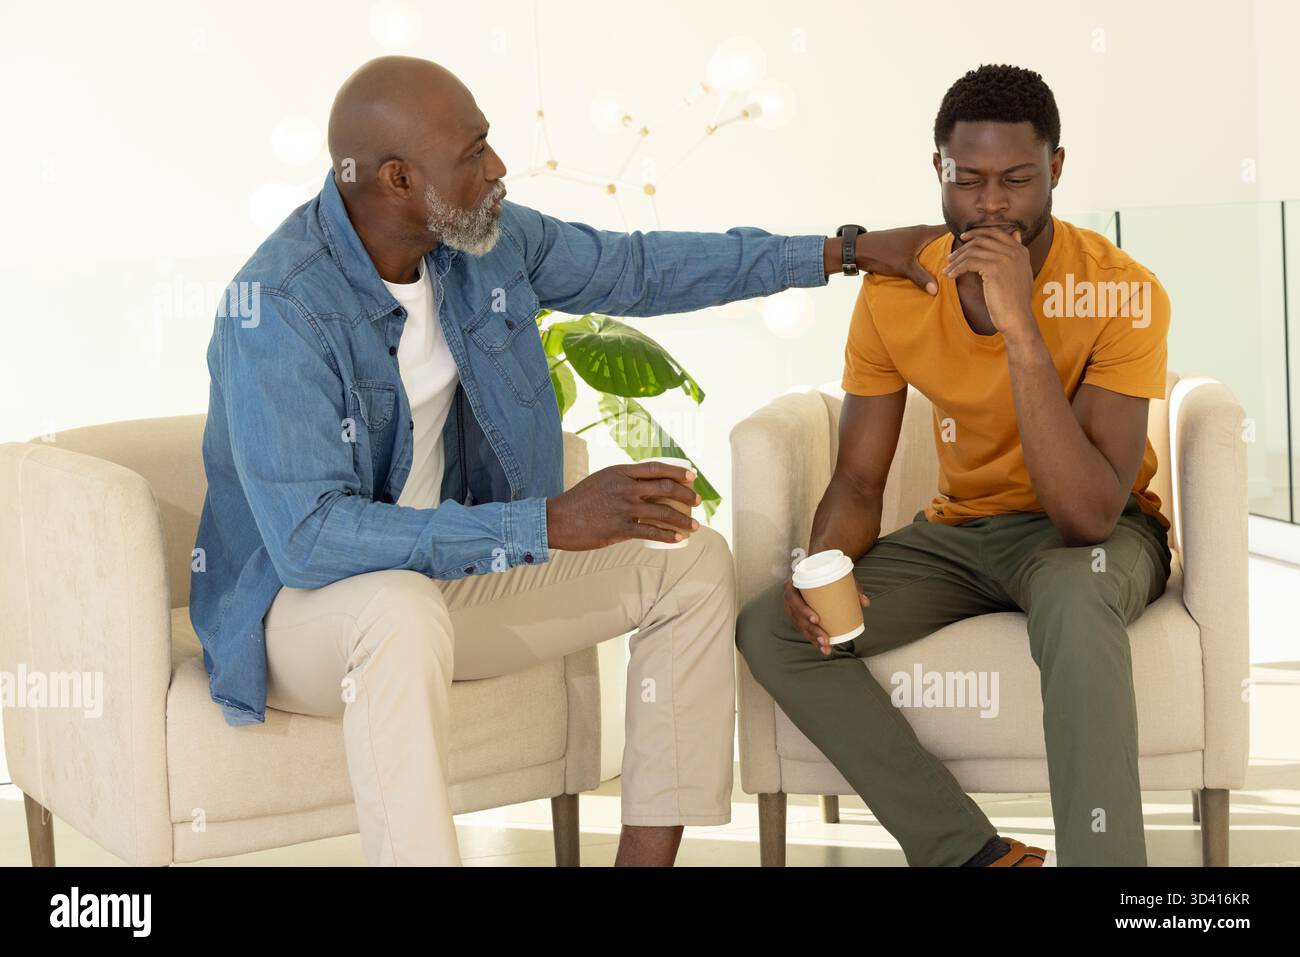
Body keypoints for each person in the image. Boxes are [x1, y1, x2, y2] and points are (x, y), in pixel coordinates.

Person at [190, 54, 946, 866]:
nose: (498, 168)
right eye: (474, 152)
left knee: (688, 562)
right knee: (397, 610)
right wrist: (545, 523)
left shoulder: (483, 247)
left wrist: (842, 252)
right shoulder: (278, 308)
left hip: (451, 585)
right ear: (400, 179)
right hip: (305, 618)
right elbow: (309, 541)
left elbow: (638, 267)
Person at [736, 64, 1173, 867]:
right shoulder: (897, 293)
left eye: (1017, 179)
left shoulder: (1121, 292)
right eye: (968, 180)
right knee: (772, 626)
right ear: (938, 171)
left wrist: (1020, 330)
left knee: (1077, 600)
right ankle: (969, 854)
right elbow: (861, 479)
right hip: (961, 532)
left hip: (1098, 534)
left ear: (1058, 171)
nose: (992, 204)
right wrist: (823, 570)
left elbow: (1088, 516)